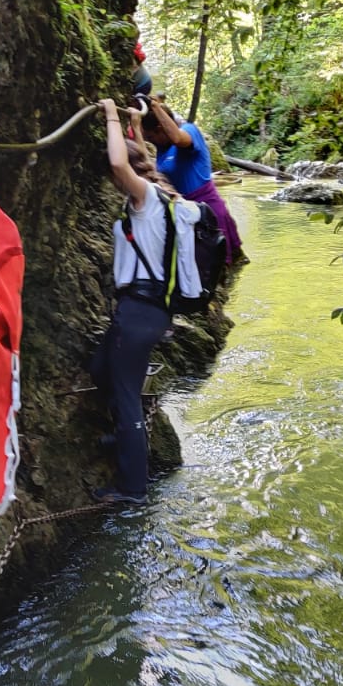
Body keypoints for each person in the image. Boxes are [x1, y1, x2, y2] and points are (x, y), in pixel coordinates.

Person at [89, 98, 202, 502]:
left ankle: (133, 487)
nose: (113, 179)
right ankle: (126, 436)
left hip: (139, 313)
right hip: (147, 312)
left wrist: (110, 114)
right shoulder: (159, 194)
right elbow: (140, 160)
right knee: (101, 369)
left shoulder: (145, 200)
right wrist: (134, 122)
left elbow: (121, 164)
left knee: (126, 397)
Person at [138, 94, 244, 264]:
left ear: (161, 128)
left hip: (209, 211)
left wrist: (154, 106)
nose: (149, 141)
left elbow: (177, 138)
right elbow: (143, 163)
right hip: (185, 212)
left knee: (220, 267)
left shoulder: (189, 131)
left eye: (150, 137)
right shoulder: (162, 148)